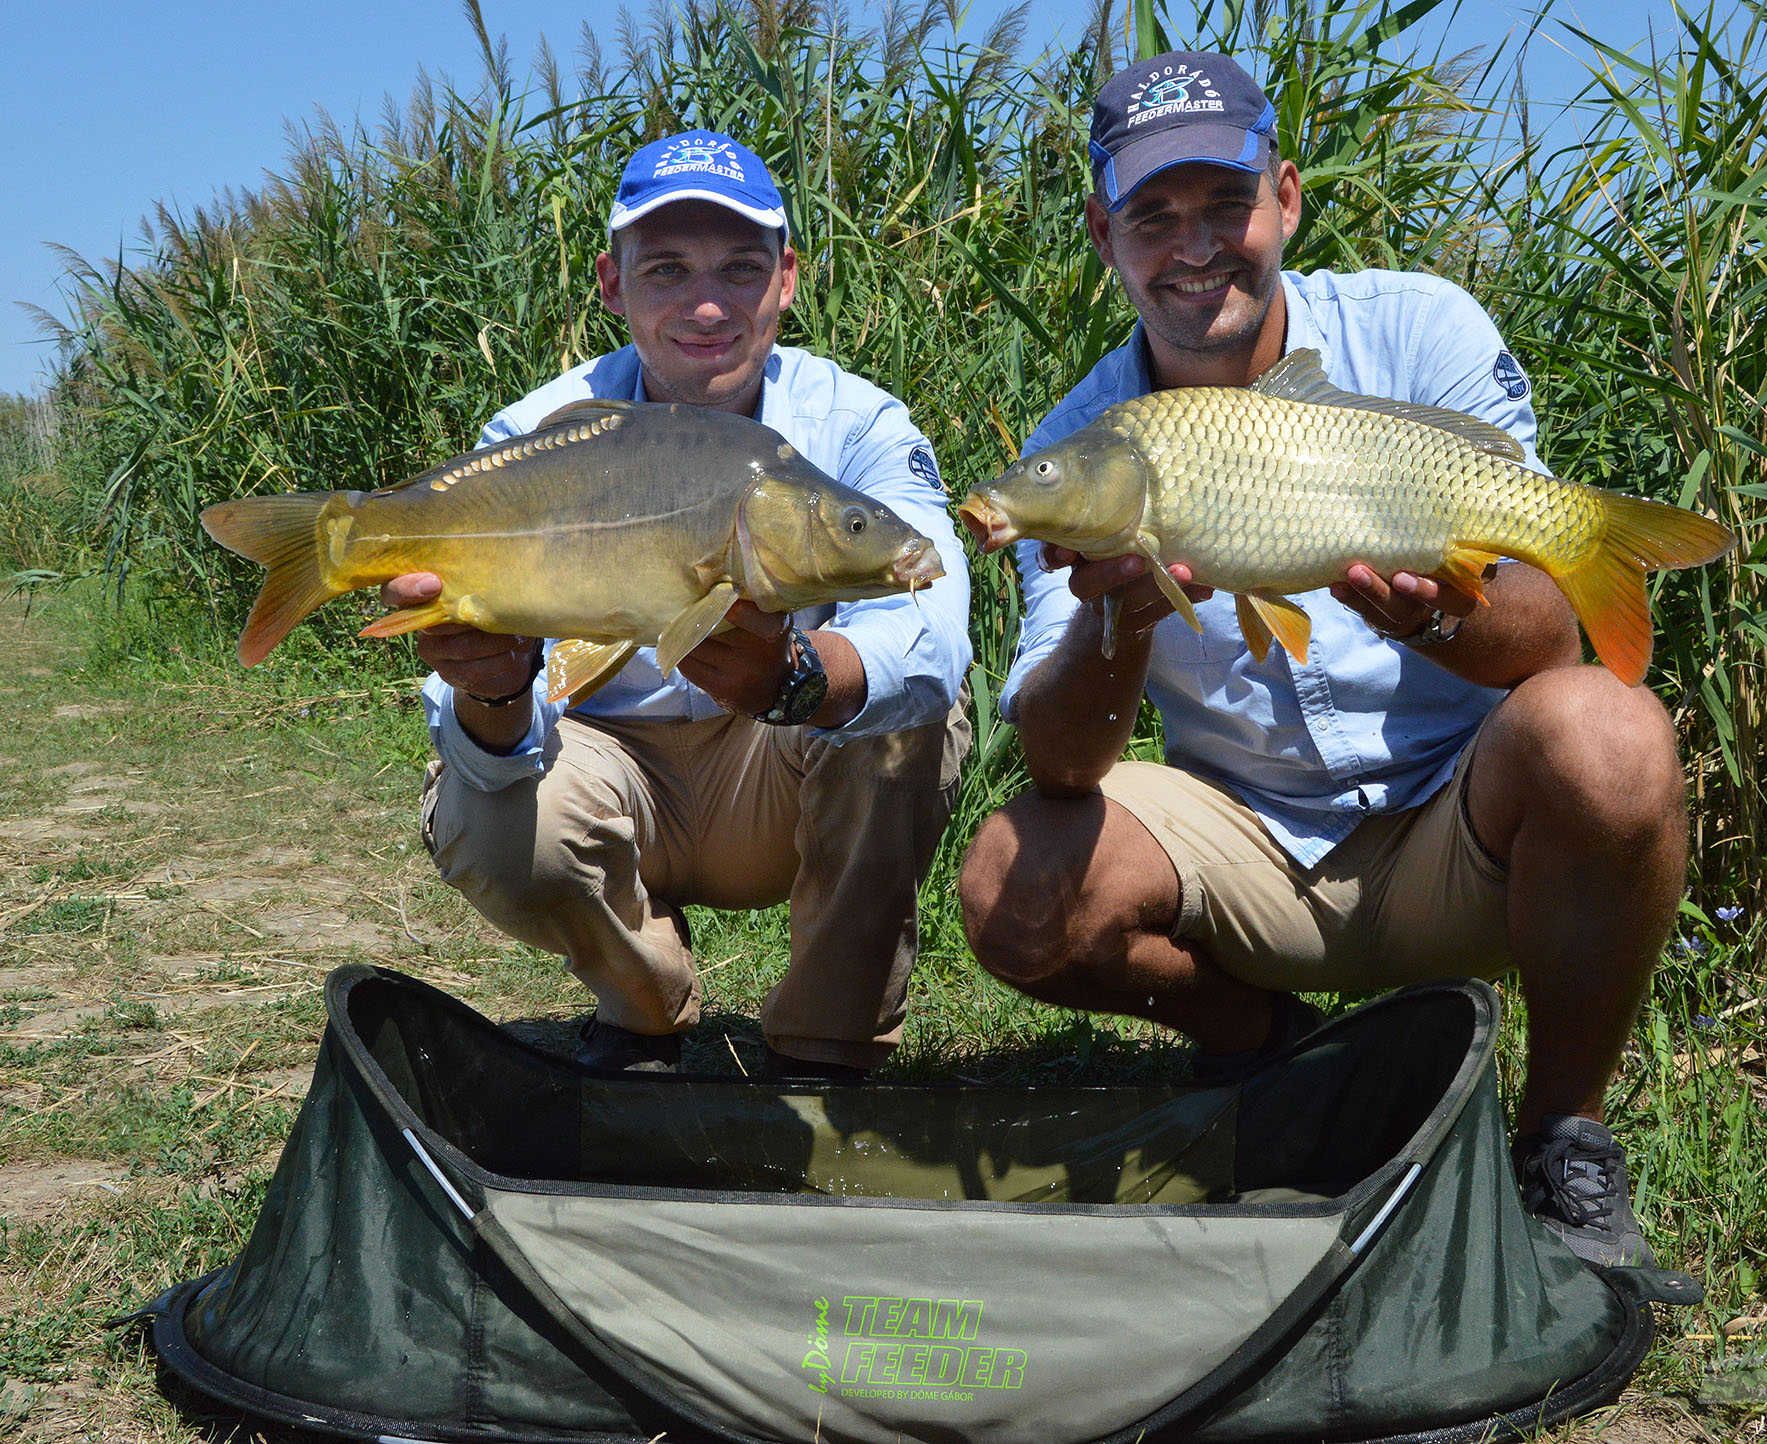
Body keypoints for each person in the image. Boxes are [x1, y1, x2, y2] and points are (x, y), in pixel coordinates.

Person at [957, 53, 1685, 1266]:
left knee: (1612, 735)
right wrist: (1123, 621)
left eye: (1225, 207)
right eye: (1153, 216)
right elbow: (1058, 755)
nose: (1195, 247)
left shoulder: (1419, 328)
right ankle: (1271, 1047)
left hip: (1459, 827)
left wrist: (1432, 616)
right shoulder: (1081, 449)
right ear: (1105, 235)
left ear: (1285, 199)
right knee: (1008, 879)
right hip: (1252, 850)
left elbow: (1554, 639)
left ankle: (1565, 1136)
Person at [386, 130, 971, 1081]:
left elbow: (933, 619)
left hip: (779, 767)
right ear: (613, 286)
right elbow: (483, 727)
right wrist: (493, 690)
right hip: (608, 772)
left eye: (740, 269)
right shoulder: (532, 438)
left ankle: (830, 1044)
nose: (707, 306)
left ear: (786, 279)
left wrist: (796, 681)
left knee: (910, 714)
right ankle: (645, 1003)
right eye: (666, 270)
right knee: (491, 808)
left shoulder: (856, 423)